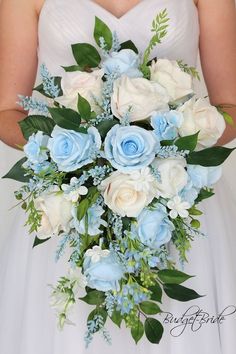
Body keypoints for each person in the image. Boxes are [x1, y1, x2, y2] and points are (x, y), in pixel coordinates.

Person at [0, 0, 235, 353]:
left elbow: (229, 107)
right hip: (69, 205)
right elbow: (7, 111)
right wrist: (75, 154)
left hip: (176, 196)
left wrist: (162, 149)